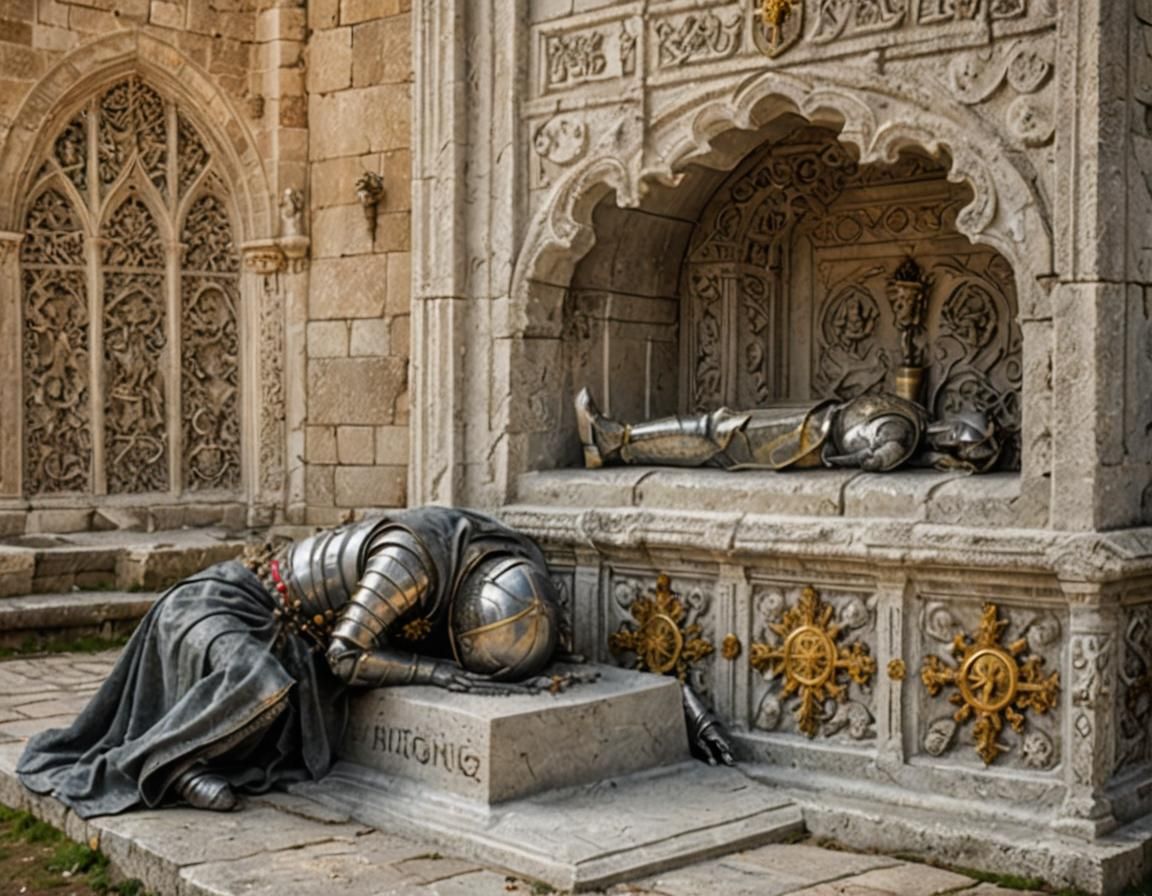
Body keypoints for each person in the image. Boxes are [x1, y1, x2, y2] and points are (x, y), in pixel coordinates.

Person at [19, 506, 733, 817]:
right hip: (224, 608)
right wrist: (437, 674)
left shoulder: (513, 570)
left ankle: (203, 756)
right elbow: (347, 653)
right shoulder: (413, 559)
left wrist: (684, 707)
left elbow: (572, 657)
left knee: (274, 691)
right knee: (266, 689)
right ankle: (165, 765)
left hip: (279, 631)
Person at [574, 387, 1001, 474]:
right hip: (810, 421)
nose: (951, 427)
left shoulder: (901, 437)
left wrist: (839, 458)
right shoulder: (916, 421)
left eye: (958, 432)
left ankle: (616, 440)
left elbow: (866, 458)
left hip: (804, 438)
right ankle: (617, 443)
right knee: (716, 429)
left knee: (715, 432)